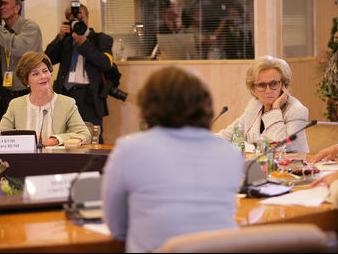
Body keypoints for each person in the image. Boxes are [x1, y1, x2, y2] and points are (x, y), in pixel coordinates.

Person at [102, 66, 243, 253]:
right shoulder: (231, 154)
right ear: (205, 105)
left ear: (147, 105)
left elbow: (117, 227)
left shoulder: (129, 150)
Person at [45, 2, 113, 144]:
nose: (78, 22)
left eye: (82, 18)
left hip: (90, 96)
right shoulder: (66, 40)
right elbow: (47, 59)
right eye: (74, 19)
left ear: (87, 18)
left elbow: (106, 64)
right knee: (63, 136)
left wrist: (83, 43)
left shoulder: (101, 39)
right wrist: (60, 37)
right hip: (66, 94)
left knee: (92, 137)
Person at [0, 51, 91, 146]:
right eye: (35, 74)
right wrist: (0, 136)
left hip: (55, 160)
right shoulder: (16, 105)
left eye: (45, 71)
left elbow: (84, 135)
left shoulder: (67, 103)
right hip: (23, 161)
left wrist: (52, 141)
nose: (43, 76)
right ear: (26, 80)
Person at [216, 55, 310, 153]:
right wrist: (207, 142)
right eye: (261, 85)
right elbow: (231, 133)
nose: (268, 90)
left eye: (273, 84)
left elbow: (279, 148)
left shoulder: (296, 111)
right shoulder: (255, 104)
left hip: (290, 167)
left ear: (283, 85)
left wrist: (275, 109)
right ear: (253, 89)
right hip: (259, 165)